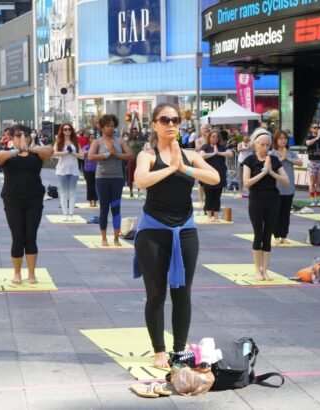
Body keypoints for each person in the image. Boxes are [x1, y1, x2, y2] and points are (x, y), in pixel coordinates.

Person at [133, 103, 220, 368]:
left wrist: (185, 168)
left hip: (184, 231)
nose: (171, 124)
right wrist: (171, 168)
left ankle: (179, 350)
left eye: (175, 119)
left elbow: (215, 177)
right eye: (165, 119)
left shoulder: (190, 155)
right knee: (156, 294)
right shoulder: (147, 155)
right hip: (153, 232)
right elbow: (141, 181)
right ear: (155, 124)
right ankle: (159, 350)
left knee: (182, 293)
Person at [0, 125, 54, 284]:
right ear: (12, 138)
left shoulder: (36, 154)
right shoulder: (8, 154)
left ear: (31, 137)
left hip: (33, 199)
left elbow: (50, 152)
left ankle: (32, 273)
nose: (22, 137)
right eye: (18, 135)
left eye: (26, 135)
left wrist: (31, 148)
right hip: (13, 200)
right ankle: (17, 273)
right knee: (17, 237)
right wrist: (17, 150)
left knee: (31, 236)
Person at [243, 128, 289, 281]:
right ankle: (257, 269)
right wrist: (263, 172)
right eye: (261, 144)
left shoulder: (274, 160)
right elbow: (246, 183)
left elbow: (286, 180)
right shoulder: (249, 160)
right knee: (258, 233)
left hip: (272, 199)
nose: (264, 147)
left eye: (267, 145)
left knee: (268, 234)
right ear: (255, 145)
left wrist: (271, 172)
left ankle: (265, 269)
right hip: (256, 199)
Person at [88, 114, 134, 246]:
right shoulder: (97, 142)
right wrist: (106, 154)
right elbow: (90, 157)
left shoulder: (120, 141)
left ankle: (115, 238)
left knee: (116, 207)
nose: (110, 128)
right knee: (104, 208)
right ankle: (103, 237)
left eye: (112, 126)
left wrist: (116, 154)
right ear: (102, 127)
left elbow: (130, 155)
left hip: (117, 178)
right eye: (107, 126)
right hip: (102, 178)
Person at [270, 130, 303, 244]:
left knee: (285, 213)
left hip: (288, 187)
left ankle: (284, 235)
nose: (283, 140)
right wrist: (281, 158)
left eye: (285, 138)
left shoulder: (290, 152)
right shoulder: (272, 153)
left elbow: (300, 162)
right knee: (276, 213)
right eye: (281, 138)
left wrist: (287, 158)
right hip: (276, 187)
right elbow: (270, 166)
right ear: (276, 140)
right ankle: (276, 236)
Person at [200, 130, 233, 222]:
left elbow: (230, 154)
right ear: (209, 137)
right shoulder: (205, 147)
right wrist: (213, 154)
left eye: (216, 137)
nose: (215, 138)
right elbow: (202, 155)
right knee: (209, 196)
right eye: (213, 137)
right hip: (208, 175)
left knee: (217, 197)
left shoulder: (222, 147)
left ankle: (216, 216)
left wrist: (219, 153)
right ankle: (209, 216)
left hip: (220, 175)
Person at [53, 123, 82, 221]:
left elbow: (82, 156)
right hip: (62, 169)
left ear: (71, 130)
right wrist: (65, 152)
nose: (67, 131)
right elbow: (53, 154)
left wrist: (73, 153)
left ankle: (71, 213)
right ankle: (65, 214)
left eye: (69, 129)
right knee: (64, 192)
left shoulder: (76, 142)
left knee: (72, 192)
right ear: (62, 130)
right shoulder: (59, 142)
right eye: (65, 129)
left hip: (74, 169)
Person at [305, 122, 320, 206]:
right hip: (312, 162)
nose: (316, 129)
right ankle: (312, 201)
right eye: (314, 127)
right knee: (312, 182)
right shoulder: (309, 137)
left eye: (318, 127)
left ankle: (317, 201)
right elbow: (308, 143)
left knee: (319, 183)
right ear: (311, 129)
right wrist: (317, 138)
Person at [126, 127, 144, 197]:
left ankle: (139, 191)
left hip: (139, 160)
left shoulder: (140, 139)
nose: (134, 133)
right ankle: (131, 191)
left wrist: (139, 121)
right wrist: (133, 120)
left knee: (138, 176)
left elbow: (140, 129)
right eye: (133, 132)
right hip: (131, 160)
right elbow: (130, 130)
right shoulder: (129, 140)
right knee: (130, 176)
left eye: (136, 132)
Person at [82, 133, 98, 207]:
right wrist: (92, 151)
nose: (93, 139)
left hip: (97, 168)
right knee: (89, 185)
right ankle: (90, 200)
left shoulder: (98, 147)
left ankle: (95, 200)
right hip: (88, 169)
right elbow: (83, 153)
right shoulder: (86, 147)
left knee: (96, 185)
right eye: (91, 138)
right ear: (89, 139)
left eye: (94, 138)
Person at [237, 133, 252, 198]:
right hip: (241, 161)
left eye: (248, 136)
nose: (247, 138)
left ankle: (249, 191)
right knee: (241, 177)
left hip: (249, 162)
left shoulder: (252, 144)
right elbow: (238, 149)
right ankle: (240, 191)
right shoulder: (241, 143)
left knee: (250, 177)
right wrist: (247, 148)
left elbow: (255, 149)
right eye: (245, 136)